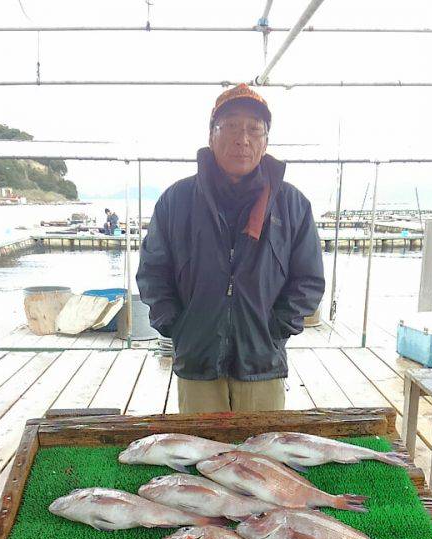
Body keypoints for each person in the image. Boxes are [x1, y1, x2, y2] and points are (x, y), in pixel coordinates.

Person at [137, 83, 325, 413]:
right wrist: (178, 326)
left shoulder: (293, 204)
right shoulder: (176, 200)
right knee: (198, 458)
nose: (243, 139)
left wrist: (276, 329)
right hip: (197, 363)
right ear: (211, 135)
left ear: (266, 141)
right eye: (232, 127)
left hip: (262, 364)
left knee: (262, 457)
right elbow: (153, 273)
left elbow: (309, 279)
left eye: (255, 129)